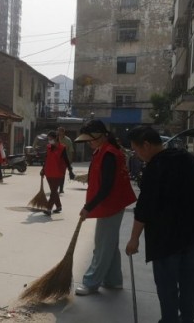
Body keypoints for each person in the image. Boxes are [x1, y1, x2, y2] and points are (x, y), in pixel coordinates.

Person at [125, 126, 194, 323]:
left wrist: (134, 239)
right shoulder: (187, 158)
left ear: (146, 145)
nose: (136, 156)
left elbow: (144, 208)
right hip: (193, 235)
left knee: (167, 286)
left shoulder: (154, 169)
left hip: (166, 239)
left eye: (136, 150)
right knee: (190, 282)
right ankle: (187, 320)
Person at [74, 119, 136, 296]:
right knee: (110, 243)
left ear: (101, 136)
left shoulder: (109, 153)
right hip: (111, 203)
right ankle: (113, 280)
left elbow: (107, 187)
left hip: (112, 204)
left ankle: (91, 282)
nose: (89, 143)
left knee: (102, 244)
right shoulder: (104, 151)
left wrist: (88, 207)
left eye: (91, 139)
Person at [40, 131, 73, 216]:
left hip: (58, 173)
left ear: (55, 138)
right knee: (53, 191)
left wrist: (70, 170)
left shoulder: (62, 148)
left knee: (53, 191)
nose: (49, 140)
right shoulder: (48, 147)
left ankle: (48, 208)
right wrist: (43, 169)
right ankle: (58, 206)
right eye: (49, 139)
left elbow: (66, 160)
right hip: (49, 172)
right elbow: (46, 159)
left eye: (51, 139)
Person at [56, 127, 76, 193]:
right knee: (56, 174)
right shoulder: (55, 139)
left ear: (63, 132)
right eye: (58, 131)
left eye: (60, 131)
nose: (58, 133)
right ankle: (56, 186)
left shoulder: (68, 140)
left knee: (62, 174)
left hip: (64, 160)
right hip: (56, 160)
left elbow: (71, 150)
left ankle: (61, 188)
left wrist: (71, 160)